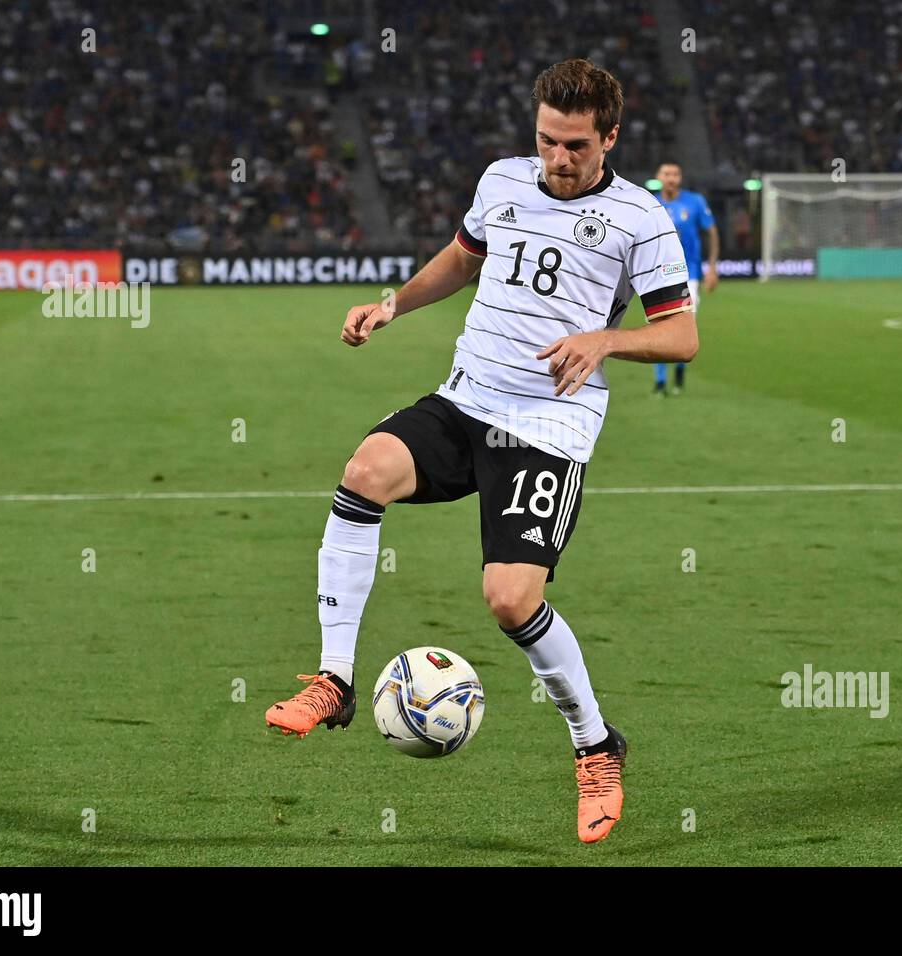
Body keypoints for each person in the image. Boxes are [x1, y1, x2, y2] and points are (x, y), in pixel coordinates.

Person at [264, 58, 697, 844]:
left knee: (510, 600)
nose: (558, 159)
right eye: (546, 141)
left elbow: (683, 335)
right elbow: (462, 260)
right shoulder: (502, 180)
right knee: (364, 472)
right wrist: (393, 304)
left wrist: (606, 338)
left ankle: (596, 745)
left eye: (574, 145)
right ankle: (334, 678)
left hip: (546, 430)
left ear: (610, 137)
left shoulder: (642, 220)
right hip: (466, 401)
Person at [652, 161, 717, 393]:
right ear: (659, 176)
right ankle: (660, 381)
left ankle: (679, 371)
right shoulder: (650, 204)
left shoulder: (695, 201)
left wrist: (712, 267)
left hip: (689, 274)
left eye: (676, 174)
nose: (671, 178)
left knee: (683, 325)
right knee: (659, 325)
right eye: (667, 173)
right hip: (658, 275)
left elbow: (711, 231)